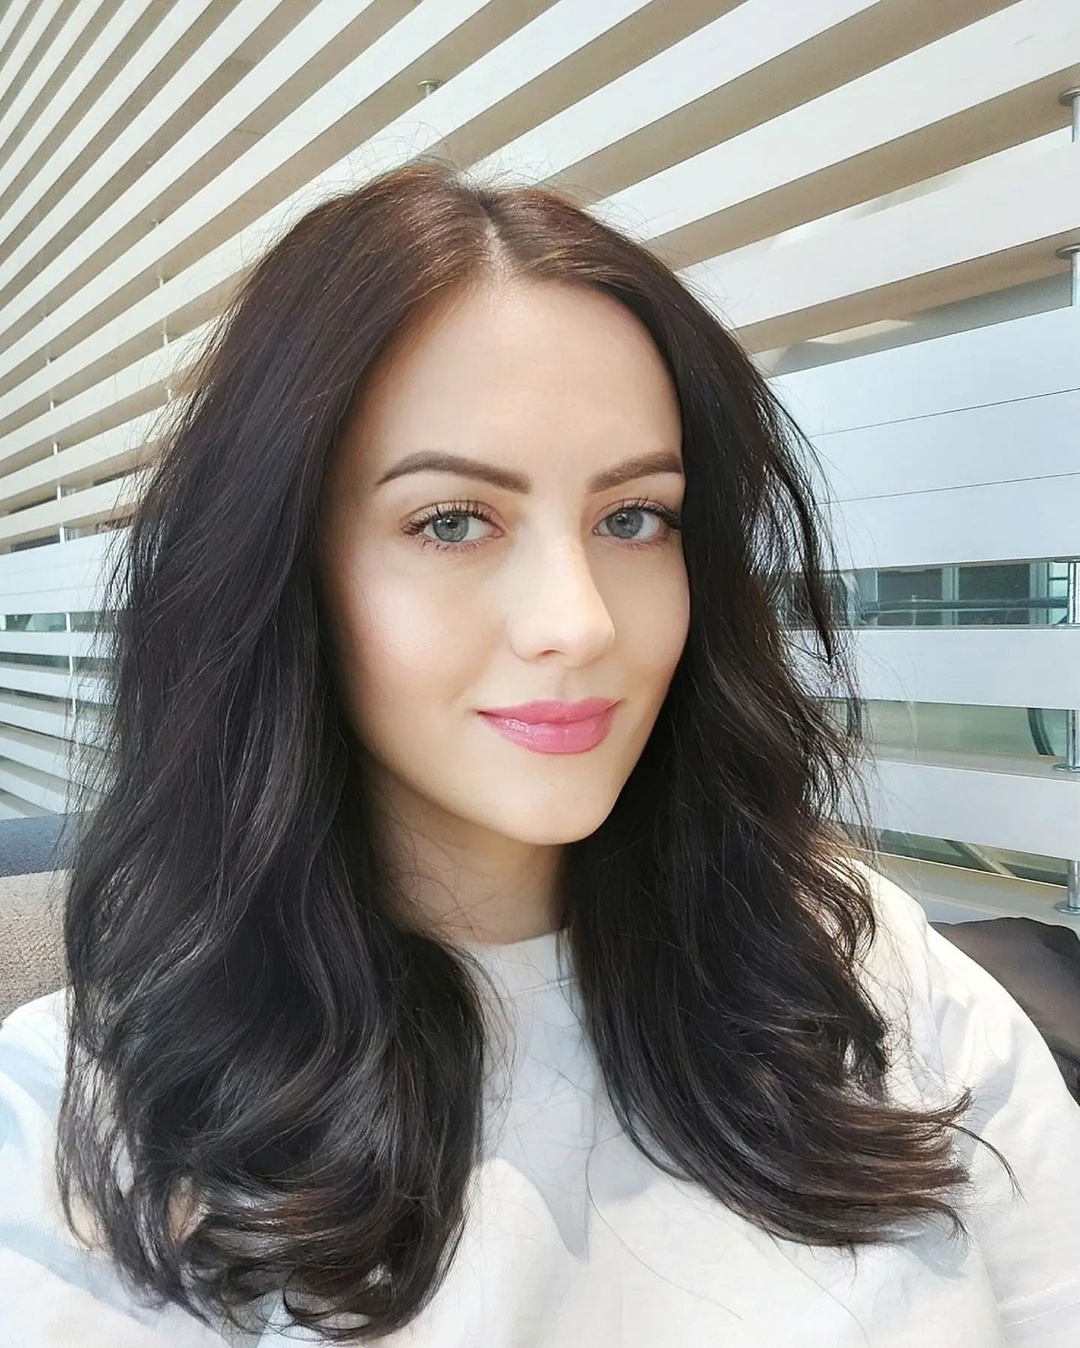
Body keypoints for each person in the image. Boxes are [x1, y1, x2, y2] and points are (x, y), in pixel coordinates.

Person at [1, 158, 1078, 1347]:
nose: (578, 621)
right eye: (452, 521)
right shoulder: (76, 1134)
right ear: (284, 569)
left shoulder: (867, 975)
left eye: (633, 517)